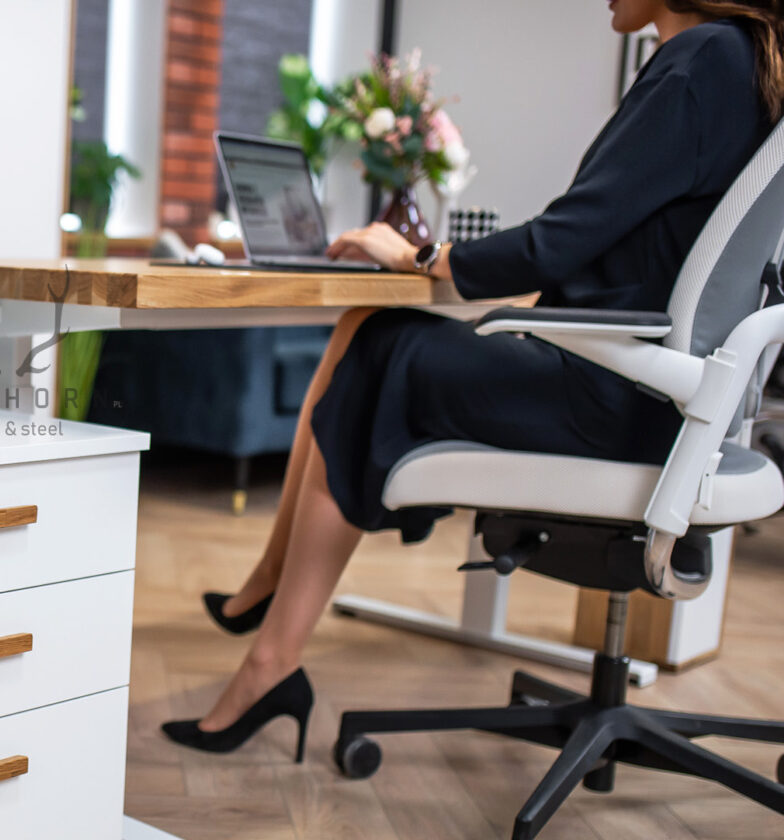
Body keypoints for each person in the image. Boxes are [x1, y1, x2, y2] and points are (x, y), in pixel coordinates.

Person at [163, 0, 783, 757]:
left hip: (614, 398)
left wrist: (424, 257)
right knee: (370, 331)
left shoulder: (703, 61)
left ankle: (272, 660)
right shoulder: (747, 64)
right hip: (658, 399)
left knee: (378, 352)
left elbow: (567, 238)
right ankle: (268, 585)